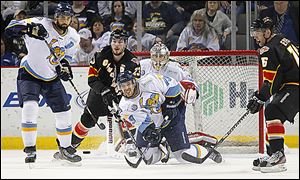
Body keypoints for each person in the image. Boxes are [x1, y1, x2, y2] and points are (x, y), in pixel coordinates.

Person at [4, 2, 81, 164]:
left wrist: (65, 67)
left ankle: (65, 148)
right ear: (55, 16)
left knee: (64, 112)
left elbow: (66, 57)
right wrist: (29, 30)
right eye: (61, 16)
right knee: (30, 107)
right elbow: (10, 28)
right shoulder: (40, 23)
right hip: (29, 73)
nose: (64, 20)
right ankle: (30, 149)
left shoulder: (74, 36)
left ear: (71, 18)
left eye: (67, 17)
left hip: (51, 76)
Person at [117, 70, 222, 165]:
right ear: (119, 87)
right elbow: (142, 123)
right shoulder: (124, 107)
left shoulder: (150, 81)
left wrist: (171, 104)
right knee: (148, 158)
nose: (126, 88)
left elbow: (173, 85)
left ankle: (207, 150)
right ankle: (165, 149)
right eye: (123, 85)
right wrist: (148, 132)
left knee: (183, 155)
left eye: (128, 84)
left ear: (134, 82)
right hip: (155, 123)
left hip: (171, 118)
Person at [69, 28, 141, 151]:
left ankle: (130, 146)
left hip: (121, 95)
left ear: (125, 43)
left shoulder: (133, 62)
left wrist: (124, 96)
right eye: (114, 41)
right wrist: (104, 91)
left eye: (120, 41)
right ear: (110, 42)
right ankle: (70, 147)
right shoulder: (100, 55)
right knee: (88, 120)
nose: (117, 44)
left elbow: (135, 86)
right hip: (99, 92)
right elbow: (92, 79)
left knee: (128, 116)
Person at [247, 17, 299, 173]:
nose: (254, 36)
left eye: (256, 32)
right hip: (292, 84)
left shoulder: (268, 49)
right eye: (252, 32)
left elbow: (272, 81)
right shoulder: (281, 40)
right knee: (273, 113)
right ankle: (272, 154)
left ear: (267, 32)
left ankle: (278, 156)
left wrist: (260, 97)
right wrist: (261, 96)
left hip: (296, 85)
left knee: (272, 110)